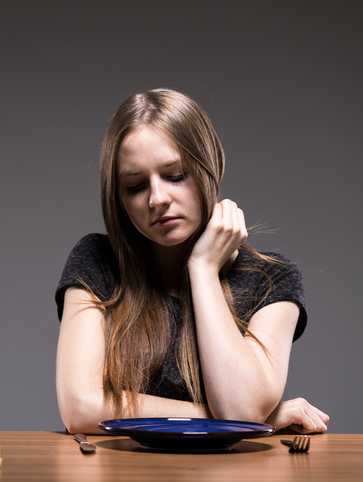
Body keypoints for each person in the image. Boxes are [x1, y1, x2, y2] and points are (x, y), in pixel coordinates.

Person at [55, 88, 329, 435]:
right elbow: (80, 408)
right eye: (136, 185)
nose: (157, 199)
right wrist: (236, 419)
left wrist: (202, 269)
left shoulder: (272, 278)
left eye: (175, 175)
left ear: (209, 167)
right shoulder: (98, 260)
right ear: (118, 197)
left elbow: (241, 406)